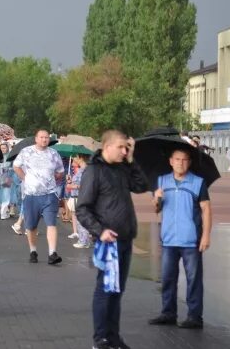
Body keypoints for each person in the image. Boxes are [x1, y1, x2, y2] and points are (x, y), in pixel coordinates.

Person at [76, 130, 148, 349]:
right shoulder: (94, 171)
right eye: (121, 147)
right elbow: (82, 208)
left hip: (125, 237)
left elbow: (141, 185)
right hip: (108, 240)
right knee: (105, 290)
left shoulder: (121, 168)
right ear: (107, 146)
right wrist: (100, 231)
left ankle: (113, 337)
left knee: (117, 291)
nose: (124, 151)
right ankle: (100, 339)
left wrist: (132, 159)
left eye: (127, 147)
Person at [148, 148, 212, 330]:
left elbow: (206, 209)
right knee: (167, 278)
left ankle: (194, 316)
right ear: (171, 161)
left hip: (191, 239)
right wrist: (156, 200)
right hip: (168, 239)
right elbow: (157, 210)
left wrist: (206, 235)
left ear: (189, 162)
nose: (180, 163)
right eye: (177, 159)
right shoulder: (162, 182)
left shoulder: (198, 183)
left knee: (193, 279)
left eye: (184, 160)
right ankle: (168, 313)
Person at [13, 129, 65, 264]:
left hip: (50, 194)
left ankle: (52, 253)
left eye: (47, 137)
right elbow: (16, 166)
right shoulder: (26, 152)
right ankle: (33, 251)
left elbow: (60, 171)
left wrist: (54, 178)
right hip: (31, 195)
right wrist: (25, 178)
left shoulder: (54, 154)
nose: (44, 140)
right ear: (36, 139)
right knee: (31, 226)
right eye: (42, 137)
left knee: (51, 223)